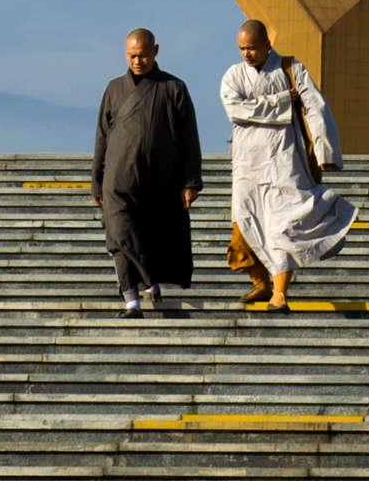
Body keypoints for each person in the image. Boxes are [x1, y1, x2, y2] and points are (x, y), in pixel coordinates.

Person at [220, 18, 354, 310]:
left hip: (285, 159)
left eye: (252, 48)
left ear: (267, 44)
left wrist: (325, 151)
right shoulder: (233, 75)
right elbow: (235, 109)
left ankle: (280, 291)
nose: (247, 54)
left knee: (283, 227)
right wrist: (281, 100)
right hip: (247, 165)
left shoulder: (292, 69)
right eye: (242, 48)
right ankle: (261, 284)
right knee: (243, 228)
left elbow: (316, 107)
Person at [92, 28, 202, 318]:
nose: (137, 61)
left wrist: (190, 181)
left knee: (147, 235)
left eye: (142, 55)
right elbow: (102, 136)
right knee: (118, 234)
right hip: (118, 178)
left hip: (159, 179)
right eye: (131, 55)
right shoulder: (114, 88)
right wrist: (97, 181)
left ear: (155, 51)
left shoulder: (173, 87)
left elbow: (190, 137)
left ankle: (147, 282)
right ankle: (132, 299)